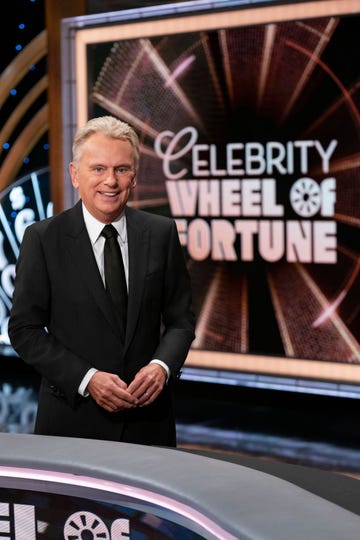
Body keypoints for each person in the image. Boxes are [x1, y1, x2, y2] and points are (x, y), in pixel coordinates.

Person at [8, 115, 195, 447]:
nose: (111, 181)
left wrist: (161, 366)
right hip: (71, 422)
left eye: (121, 169)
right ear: (75, 174)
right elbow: (24, 329)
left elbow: (181, 320)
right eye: (98, 169)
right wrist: (86, 378)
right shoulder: (43, 239)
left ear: (134, 177)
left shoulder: (161, 233)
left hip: (148, 424)